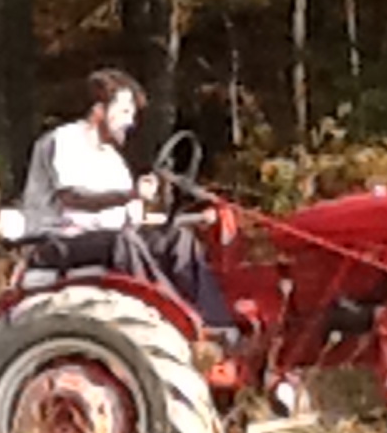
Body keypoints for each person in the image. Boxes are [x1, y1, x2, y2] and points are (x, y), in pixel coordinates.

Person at [19, 67, 238, 332]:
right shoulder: (65, 140)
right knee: (124, 242)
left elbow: (132, 221)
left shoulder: (113, 161)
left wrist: (192, 219)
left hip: (107, 241)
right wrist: (131, 195)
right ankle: (176, 319)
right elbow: (73, 197)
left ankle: (219, 326)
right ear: (99, 110)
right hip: (58, 242)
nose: (131, 122)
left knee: (178, 240)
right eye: (124, 112)